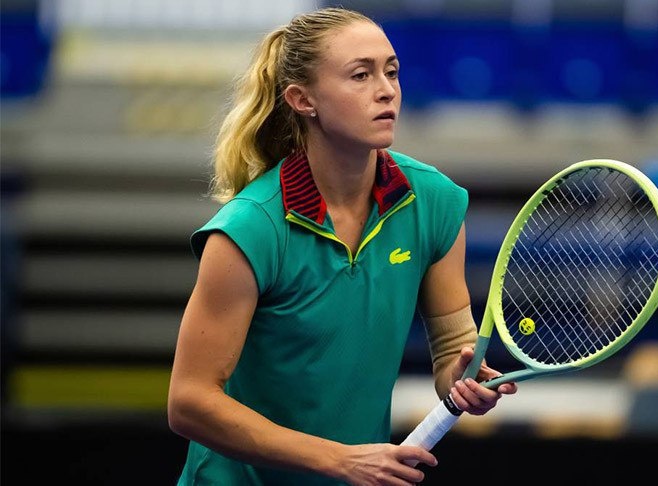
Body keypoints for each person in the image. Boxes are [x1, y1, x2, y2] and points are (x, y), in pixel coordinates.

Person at [167, 7, 517, 485]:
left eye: (392, 71)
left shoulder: (434, 203)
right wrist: (339, 459)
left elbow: (453, 351)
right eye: (360, 75)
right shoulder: (250, 230)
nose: (386, 89)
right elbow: (189, 402)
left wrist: (461, 380)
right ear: (302, 99)